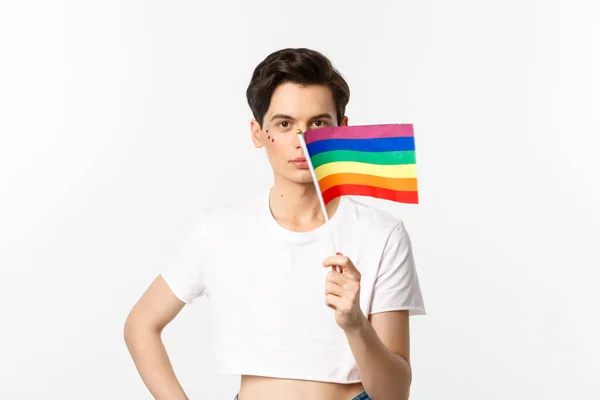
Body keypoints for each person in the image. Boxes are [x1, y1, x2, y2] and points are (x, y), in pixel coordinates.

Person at [124, 47, 426, 400]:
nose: (302, 141)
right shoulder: (219, 230)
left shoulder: (380, 234)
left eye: (318, 123)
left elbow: (395, 394)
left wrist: (355, 323)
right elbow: (141, 326)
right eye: (284, 124)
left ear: (342, 130)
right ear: (258, 132)